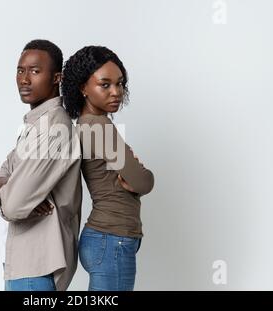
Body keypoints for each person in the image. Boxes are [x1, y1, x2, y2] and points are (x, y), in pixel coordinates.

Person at [0, 39, 82, 291]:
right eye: (20, 70)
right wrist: (6, 185)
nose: (24, 79)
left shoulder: (53, 127)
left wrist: (9, 191)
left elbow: (15, 205)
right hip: (24, 265)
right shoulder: (36, 125)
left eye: (35, 71)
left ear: (56, 78)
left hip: (35, 269)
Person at [61, 46, 154, 291]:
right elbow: (144, 182)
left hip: (106, 238)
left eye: (120, 84)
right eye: (105, 85)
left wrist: (134, 177)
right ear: (83, 88)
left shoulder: (86, 125)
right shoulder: (98, 128)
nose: (116, 92)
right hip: (112, 238)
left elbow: (135, 179)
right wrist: (140, 176)